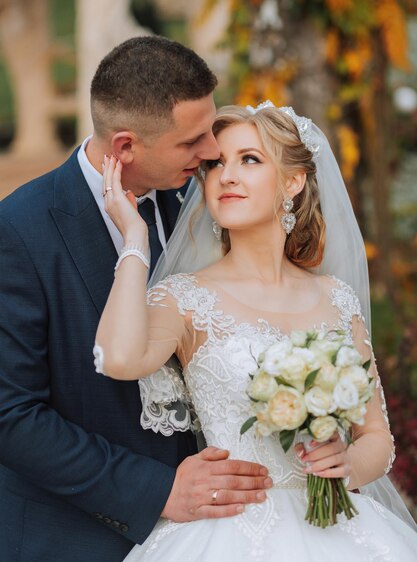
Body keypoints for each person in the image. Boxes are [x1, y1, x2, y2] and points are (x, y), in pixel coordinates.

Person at [95, 102, 417, 561]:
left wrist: (346, 465)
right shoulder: (183, 298)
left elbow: (377, 437)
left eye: (249, 159)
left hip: (343, 533)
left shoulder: (336, 299)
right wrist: (134, 240)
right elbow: (118, 358)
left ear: (293, 181)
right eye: (215, 164)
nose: (226, 176)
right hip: (228, 534)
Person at [0, 37, 271, 562]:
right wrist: (157, 490)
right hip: (75, 537)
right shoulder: (19, 231)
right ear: (125, 147)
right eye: (192, 141)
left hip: (228, 530)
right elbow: (11, 416)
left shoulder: (209, 199)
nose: (212, 153)